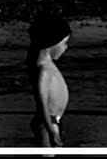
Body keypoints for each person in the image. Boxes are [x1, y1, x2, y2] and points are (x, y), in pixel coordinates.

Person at [26, 12, 72, 147]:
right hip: (47, 123)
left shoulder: (47, 63)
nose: (66, 47)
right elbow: (42, 105)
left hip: (53, 120)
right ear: (51, 43)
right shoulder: (43, 71)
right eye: (64, 43)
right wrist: (51, 131)